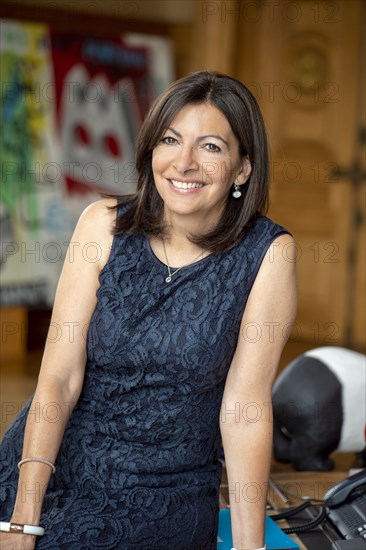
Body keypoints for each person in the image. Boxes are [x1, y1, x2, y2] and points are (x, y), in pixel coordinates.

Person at [0, 71, 297, 550]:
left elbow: (244, 411)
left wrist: (250, 547)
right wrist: (22, 520)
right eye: (170, 139)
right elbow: (58, 378)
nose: (184, 163)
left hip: (161, 494)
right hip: (47, 466)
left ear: (243, 167)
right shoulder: (103, 225)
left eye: (211, 147)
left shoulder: (268, 253)